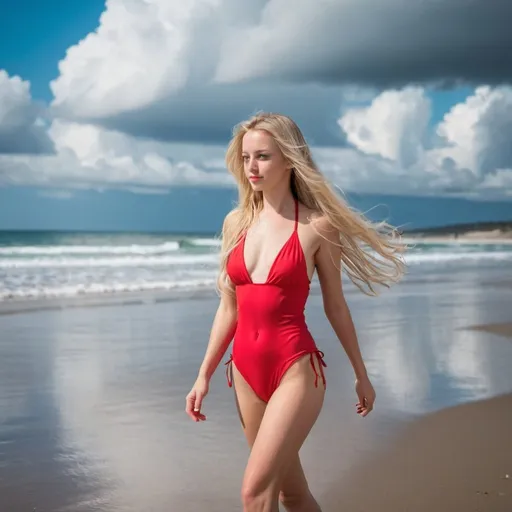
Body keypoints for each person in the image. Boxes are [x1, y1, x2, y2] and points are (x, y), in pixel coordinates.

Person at [185, 112, 406, 511]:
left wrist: (361, 374)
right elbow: (229, 306)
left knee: (254, 493)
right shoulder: (236, 222)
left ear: (289, 159)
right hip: (245, 373)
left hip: (295, 371)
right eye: (246, 156)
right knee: (292, 494)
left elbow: (335, 306)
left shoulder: (319, 226)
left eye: (263, 156)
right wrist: (203, 375)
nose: (252, 166)